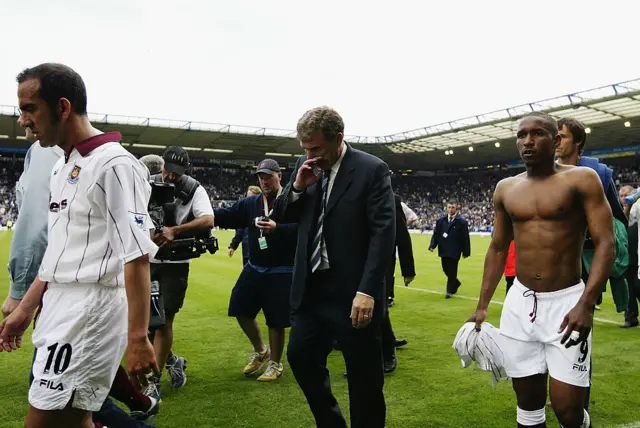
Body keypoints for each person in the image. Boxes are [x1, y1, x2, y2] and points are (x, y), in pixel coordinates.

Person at [0, 63, 159, 428]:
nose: (22, 120)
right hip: (58, 305)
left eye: (29, 108)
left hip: (92, 309)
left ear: (63, 107)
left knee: (43, 422)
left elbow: (135, 255)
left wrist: (137, 337)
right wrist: (26, 308)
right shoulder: (62, 167)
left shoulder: (116, 165)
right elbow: (57, 252)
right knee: (75, 421)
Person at [469, 112, 614, 428]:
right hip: (520, 303)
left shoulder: (581, 180)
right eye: (521, 135)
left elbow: (606, 243)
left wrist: (586, 304)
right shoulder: (506, 188)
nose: (528, 141)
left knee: (567, 410)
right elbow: (496, 247)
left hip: (567, 304)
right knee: (528, 405)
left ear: (557, 140)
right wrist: (482, 306)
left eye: (537, 134)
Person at [272, 106, 395, 428]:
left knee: (364, 378)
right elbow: (283, 214)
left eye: (316, 148)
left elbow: (384, 234)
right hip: (311, 291)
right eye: (305, 149)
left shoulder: (372, 169)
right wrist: (297, 186)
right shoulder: (305, 166)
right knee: (300, 357)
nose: (310, 154)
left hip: (354, 294)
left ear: (338, 138)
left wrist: (367, 290)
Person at [555, 117, 628, 410]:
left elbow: (616, 222)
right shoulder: (545, 174)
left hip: (584, 268)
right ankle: (559, 394)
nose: (556, 141)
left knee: (579, 336)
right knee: (552, 332)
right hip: (553, 267)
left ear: (578, 143)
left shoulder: (598, 173)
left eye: (561, 136)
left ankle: (579, 403)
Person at [214, 160, 297, 381]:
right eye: (261, 176)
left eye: (268, 176)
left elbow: (303, 229)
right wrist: (202, 213)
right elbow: (227, 216)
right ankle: (262, 350)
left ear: (279, 175)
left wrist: (278, 228)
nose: (264, 180)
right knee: (239, 307)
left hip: (282, 268)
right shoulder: (250, 203)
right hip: (255, 266)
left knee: (276, 320)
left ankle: (276, 364)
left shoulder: (291, 201)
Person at [147, 146, 214, 398]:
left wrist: (174, 231)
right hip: (146, 259)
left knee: (163, 322)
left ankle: (152, 381)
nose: (172, 177)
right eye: (169, 171)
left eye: (178, 173)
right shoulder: (146, 182)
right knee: (145, 326)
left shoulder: (194, 188)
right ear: (162, 165)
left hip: (175, 264)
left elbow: (208, 220)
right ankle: (172, 360)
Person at [381, 194, 415, 372]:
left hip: (380, 259)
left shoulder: (389, 197)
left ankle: (388, 352)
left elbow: (401, 231)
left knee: (379, 308)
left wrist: (408, 270)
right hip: (350, 258)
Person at [429, 201, 471, 298]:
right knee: (445, 268)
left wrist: (466, 251)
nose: (451, 209)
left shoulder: (462, 222)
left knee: (452, 270)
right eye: (449, 207)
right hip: (444, 249)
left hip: (455, 250)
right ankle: (455, 282)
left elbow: (465, 237)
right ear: (446, 208)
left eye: (453, 207)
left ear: (456, 208)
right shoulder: (440, 221)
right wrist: (432, 245)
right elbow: (436, 234)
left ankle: (449, 291)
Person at [228, 185, 262, 266]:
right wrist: (233, 246)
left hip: (260, 251)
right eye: (247, 197)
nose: (248, 200)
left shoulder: (265, 212)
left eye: (251, 197)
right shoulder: (245, 213)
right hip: (247, 250)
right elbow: (240, 230)